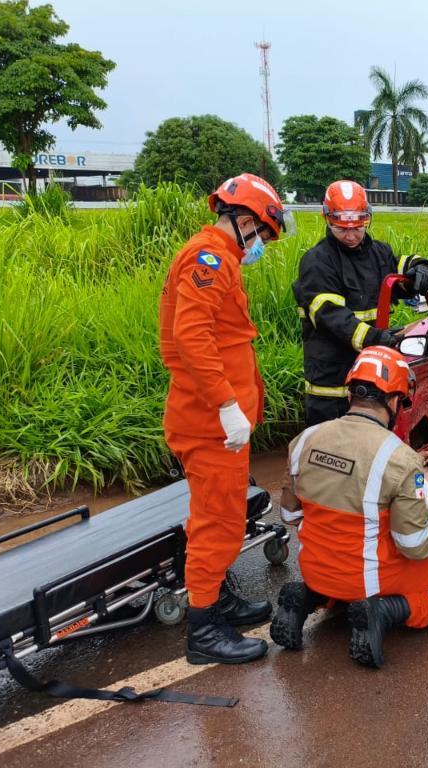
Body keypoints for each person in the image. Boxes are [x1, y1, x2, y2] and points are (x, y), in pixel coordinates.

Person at [159, 173, 295, 665]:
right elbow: (191, 337)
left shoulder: (222, 258)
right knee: (216, 524)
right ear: (241, 222)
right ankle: (203, 631)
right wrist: (224, 403)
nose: (259, 244)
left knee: (225, 517)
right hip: (209, 422)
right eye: (259, 234)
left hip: (219, 421)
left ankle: (216, 600)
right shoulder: (208, 258)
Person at [270, 346, 428, 669]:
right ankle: (384, 612)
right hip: (368, 579)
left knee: (338, 565)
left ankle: (306, 598)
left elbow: (289, 515)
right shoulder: (402, 459)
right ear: (394, 401)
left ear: (350, 394)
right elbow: (411, 545)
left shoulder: (304, 440)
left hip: (316, 569)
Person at [292, 180, 428, 427]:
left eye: (358, 228)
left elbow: (401, 267)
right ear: (327, 220)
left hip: (371, 378)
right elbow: (333, 318)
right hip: (332, 385)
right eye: (342, 229)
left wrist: (423, 268)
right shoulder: (317, 262)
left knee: (370, 447)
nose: (351, 236)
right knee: (328, 452)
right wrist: (378, 339)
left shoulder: (378, 253)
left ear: (366, 219)